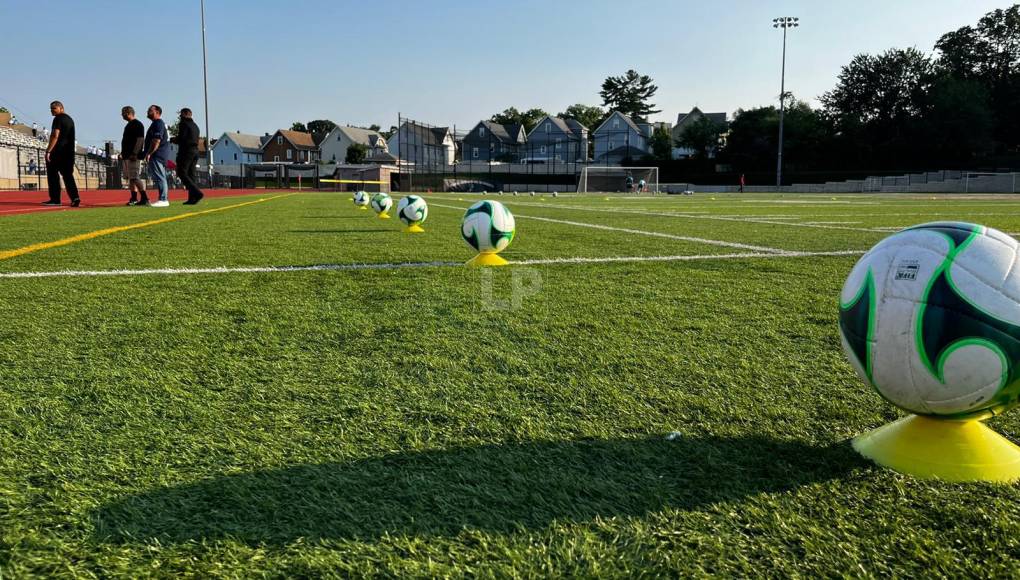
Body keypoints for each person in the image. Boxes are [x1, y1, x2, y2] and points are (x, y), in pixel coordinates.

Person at [42, 101, 80, 207]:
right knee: (68, 176)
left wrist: (48, 151)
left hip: (58, 152)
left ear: (61, 108)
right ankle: (75, 198)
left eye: (54, 108)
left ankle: (55, 199)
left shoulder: (58, 119)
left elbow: (55, 135)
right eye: (51, 108)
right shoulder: (70, 120)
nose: (52, 110)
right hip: (69, 153)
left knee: (53, 176)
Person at [171, 108, 204, 205]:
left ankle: (197, 193)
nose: (180, 117)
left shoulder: (183, 124)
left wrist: (173, 139)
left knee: (182, 173)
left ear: (185, 114)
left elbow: (182, 138)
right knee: (191, 174)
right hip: (195, 151)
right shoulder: (195, 126)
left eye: (181, 115)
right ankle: (192, 198)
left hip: (186, 151)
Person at [143, 104, 170, 207]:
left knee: (160, 177)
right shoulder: (157, 123)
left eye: (150, 110)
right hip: (160, 154)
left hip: (157, 155)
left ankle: (163, 199)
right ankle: (163, 198)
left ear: (157, 112)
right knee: (160, 176)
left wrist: (149, 153)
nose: (148, 111)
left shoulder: (158, 123)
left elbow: (156, 140)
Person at [120, 106, 147, 205]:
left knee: (135, 177)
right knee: (131, 178)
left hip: (133, 156)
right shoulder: (129, 125)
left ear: (128, 113)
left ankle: (145, 198)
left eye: (123, 113)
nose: (122, 115)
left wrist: (135, 153)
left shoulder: (137, 124)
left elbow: (140, 140)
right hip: (127, 155)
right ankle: (134, 198)